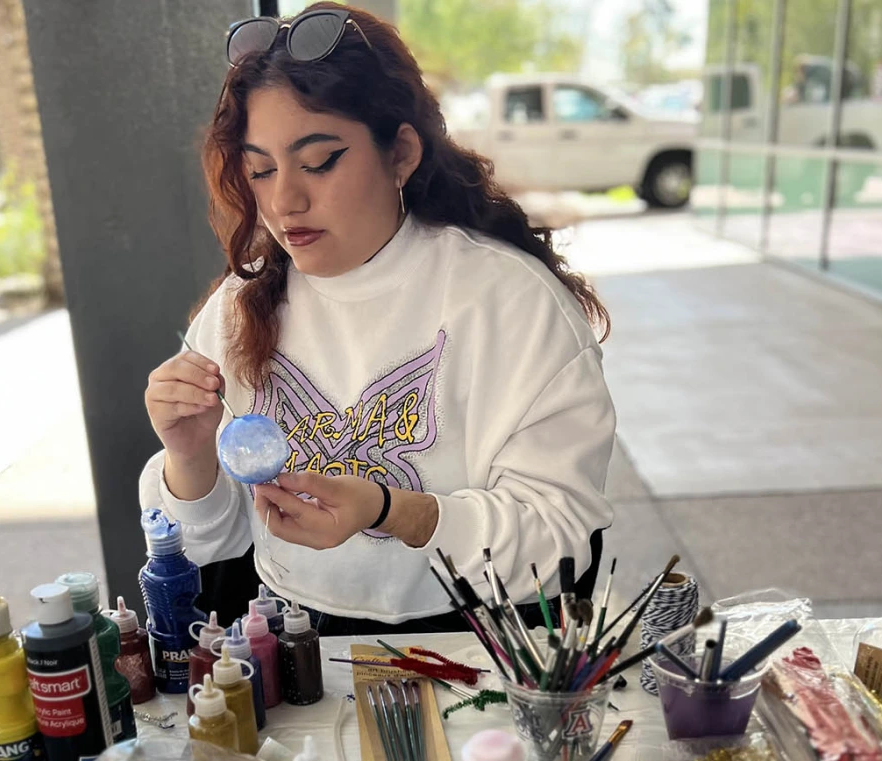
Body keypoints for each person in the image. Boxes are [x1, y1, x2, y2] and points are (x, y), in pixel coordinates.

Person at [139, 3, 616, 635]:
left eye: (319, 161)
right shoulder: (241, 304)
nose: (285, 201)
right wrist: (189, 454)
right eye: (261, 170)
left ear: (401, 154)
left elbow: (560, 535)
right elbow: (209, 543)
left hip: (477, 645)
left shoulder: (508, 301)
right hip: (293, 638)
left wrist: (394, 511)